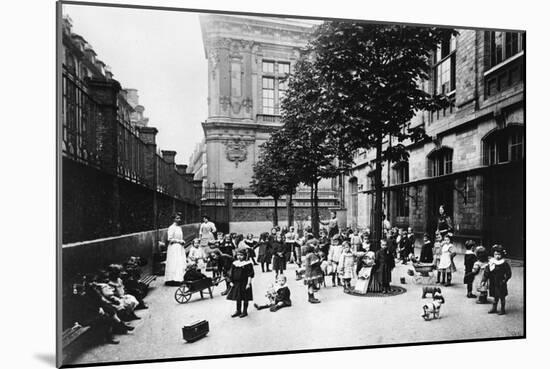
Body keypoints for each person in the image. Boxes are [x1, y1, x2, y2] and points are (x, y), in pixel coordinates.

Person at [485, 245, 512, 315]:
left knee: (501, 296)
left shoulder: (504, 263)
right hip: (493, 281)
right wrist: (484, 280)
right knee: (495, 295)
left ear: (502, 254)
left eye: (499, 254)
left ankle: (503, 309)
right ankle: (494, 308)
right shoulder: (491, 262)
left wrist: (505, 280)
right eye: (495, 254)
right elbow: (487, 272)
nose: (497, 256)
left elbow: (509, 273)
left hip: (500, 281)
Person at [227, 249, 254, 318]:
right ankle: (238, 310)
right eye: (238, 255)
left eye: (241, 255)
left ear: (245, 256)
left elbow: (250, 275)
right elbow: (231, 273)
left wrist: (248, 284)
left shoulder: (248, 264)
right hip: (236, 283)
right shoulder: (235, 263)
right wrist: (231, 281)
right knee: (238, 297)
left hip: (244, 283)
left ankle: (245, 311)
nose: (239, 257)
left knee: (245, 297)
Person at [164, 213, 187, 286]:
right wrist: (179, 241)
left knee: (179, 262)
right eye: (177, 218)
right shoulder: (171, 228)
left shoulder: (179, 228)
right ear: (173, 219)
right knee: (174, 263)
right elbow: (169, 239)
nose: (179, 220)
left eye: (179, 218)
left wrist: (181, 241)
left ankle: (179, 279)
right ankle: (172, 279)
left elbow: (180, 237)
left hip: (179, 247)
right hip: (174, 247)